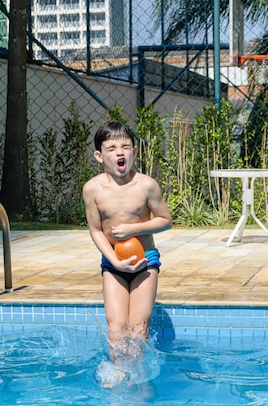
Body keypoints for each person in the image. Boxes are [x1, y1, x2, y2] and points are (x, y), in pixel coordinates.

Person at [83, 121, 172, 362]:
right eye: (111, 148)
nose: (119, 152)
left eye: (125, 146)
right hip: (113, 263)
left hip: (145, 260)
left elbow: (166, 220)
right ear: (99, 156)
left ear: (134, 151)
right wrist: (114, 261)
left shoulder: (146, 185)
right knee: (116, 329)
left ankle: (137, 377)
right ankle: (119, 374)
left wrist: (134, 228)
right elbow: (96, 231)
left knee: (139, 327)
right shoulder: (92, 189)